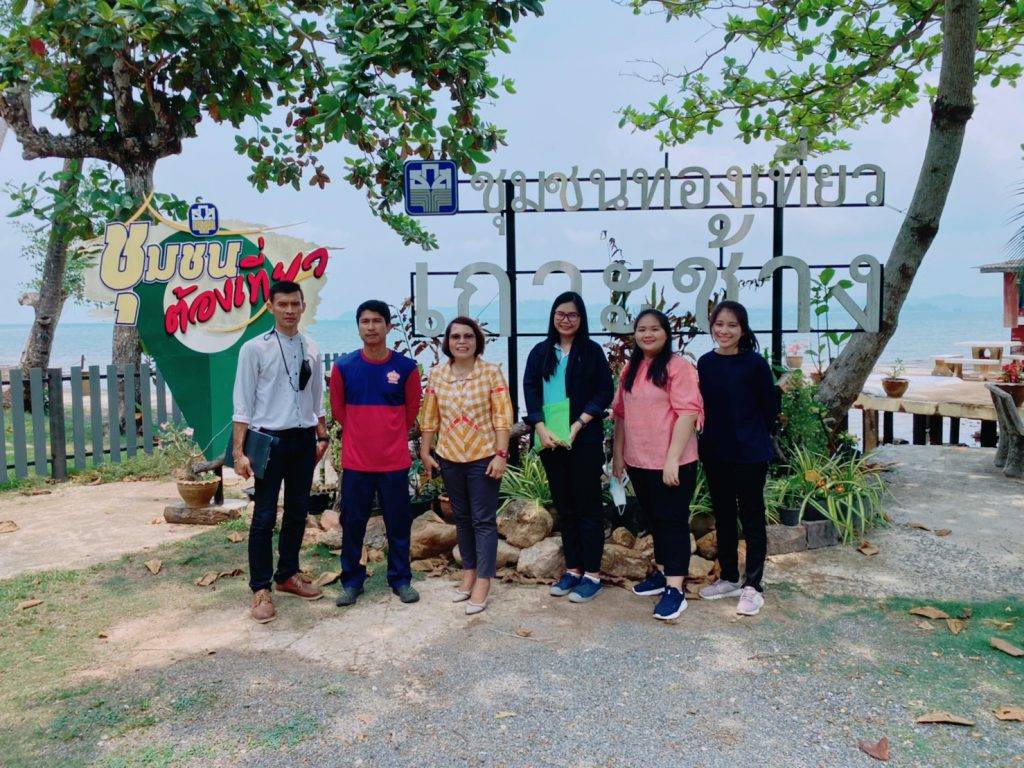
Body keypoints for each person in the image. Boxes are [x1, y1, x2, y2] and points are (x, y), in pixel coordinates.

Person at [232, 280, 330, 624]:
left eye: (295, 304)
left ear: (303, 306)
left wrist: (322, 435)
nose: (289, 310)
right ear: (270, 307)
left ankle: (288, 574)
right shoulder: (254, 349)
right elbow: (242, 403)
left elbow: (316, 398)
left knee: (298, 511)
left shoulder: (312, 347)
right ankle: (260, 588)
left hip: (303, 441)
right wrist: (239, 452)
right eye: (282, 304)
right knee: (263, 516)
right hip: (268, 440)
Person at [611, 309, 703, 621]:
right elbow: (620, 414)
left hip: (672, 461)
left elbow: (688, 413)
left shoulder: (679, 367)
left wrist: (672, 460)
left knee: (673, 521)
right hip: (639, 460)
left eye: (654, 329)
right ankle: (663, 574)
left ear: (666, 333)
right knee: (655, 519)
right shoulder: (631, 368)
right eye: (641, 329)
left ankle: (675, 590)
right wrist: (618, 456)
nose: (647, 334)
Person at [330, 300, 422, 606]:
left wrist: (388, 434)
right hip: (357, 462)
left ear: (389, 326)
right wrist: (363, 432)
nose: (371, 327)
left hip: (394, 462)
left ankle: (401, 579)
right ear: (358, 327)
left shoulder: (406, 368)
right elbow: (339, 410)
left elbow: (411, 411)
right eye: (365, 321)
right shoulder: (344, 367)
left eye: (377, 321)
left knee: (398, 523)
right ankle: (351, 582)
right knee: (352, 524)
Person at [523, 291, 613, 603]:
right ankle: (573, 569)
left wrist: (580, 423)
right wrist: (540, 426)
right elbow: (531, 390)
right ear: (553, 316)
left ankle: (592, 575)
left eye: (572, 315)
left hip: (583, 439)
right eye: (560, 314)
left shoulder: (591, 351)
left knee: (588, 507)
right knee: (565, 507)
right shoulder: (540, 352)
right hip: (550, 441)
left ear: (581, 318)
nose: (566, 319)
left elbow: (604, 391)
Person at [419, 317, 512, 615]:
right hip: (449, 457)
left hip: (483, 457)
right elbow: (430, 417)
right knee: (461, 518)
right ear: (448, 342)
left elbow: (502, 417)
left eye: (468, 336)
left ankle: (484, 581)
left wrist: (501, 454)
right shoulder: (437, 374)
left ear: (477, 341)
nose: (462, 341)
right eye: (456, 336)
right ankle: (468, 573)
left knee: (483, 520)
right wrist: (425, 451)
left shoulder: (491, 373)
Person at [697, 301, 779, 616]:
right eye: (719, 324)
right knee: (724, 516)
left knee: (752, 517)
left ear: (743, 329)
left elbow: (770, 410)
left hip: (750, 453)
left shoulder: (755, 364)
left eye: (732, 325)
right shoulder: (705, 363)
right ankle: (730, 577)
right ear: (712, 327)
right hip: (715, 452)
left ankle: (753, 586)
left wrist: (751, 434)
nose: (725, 330)